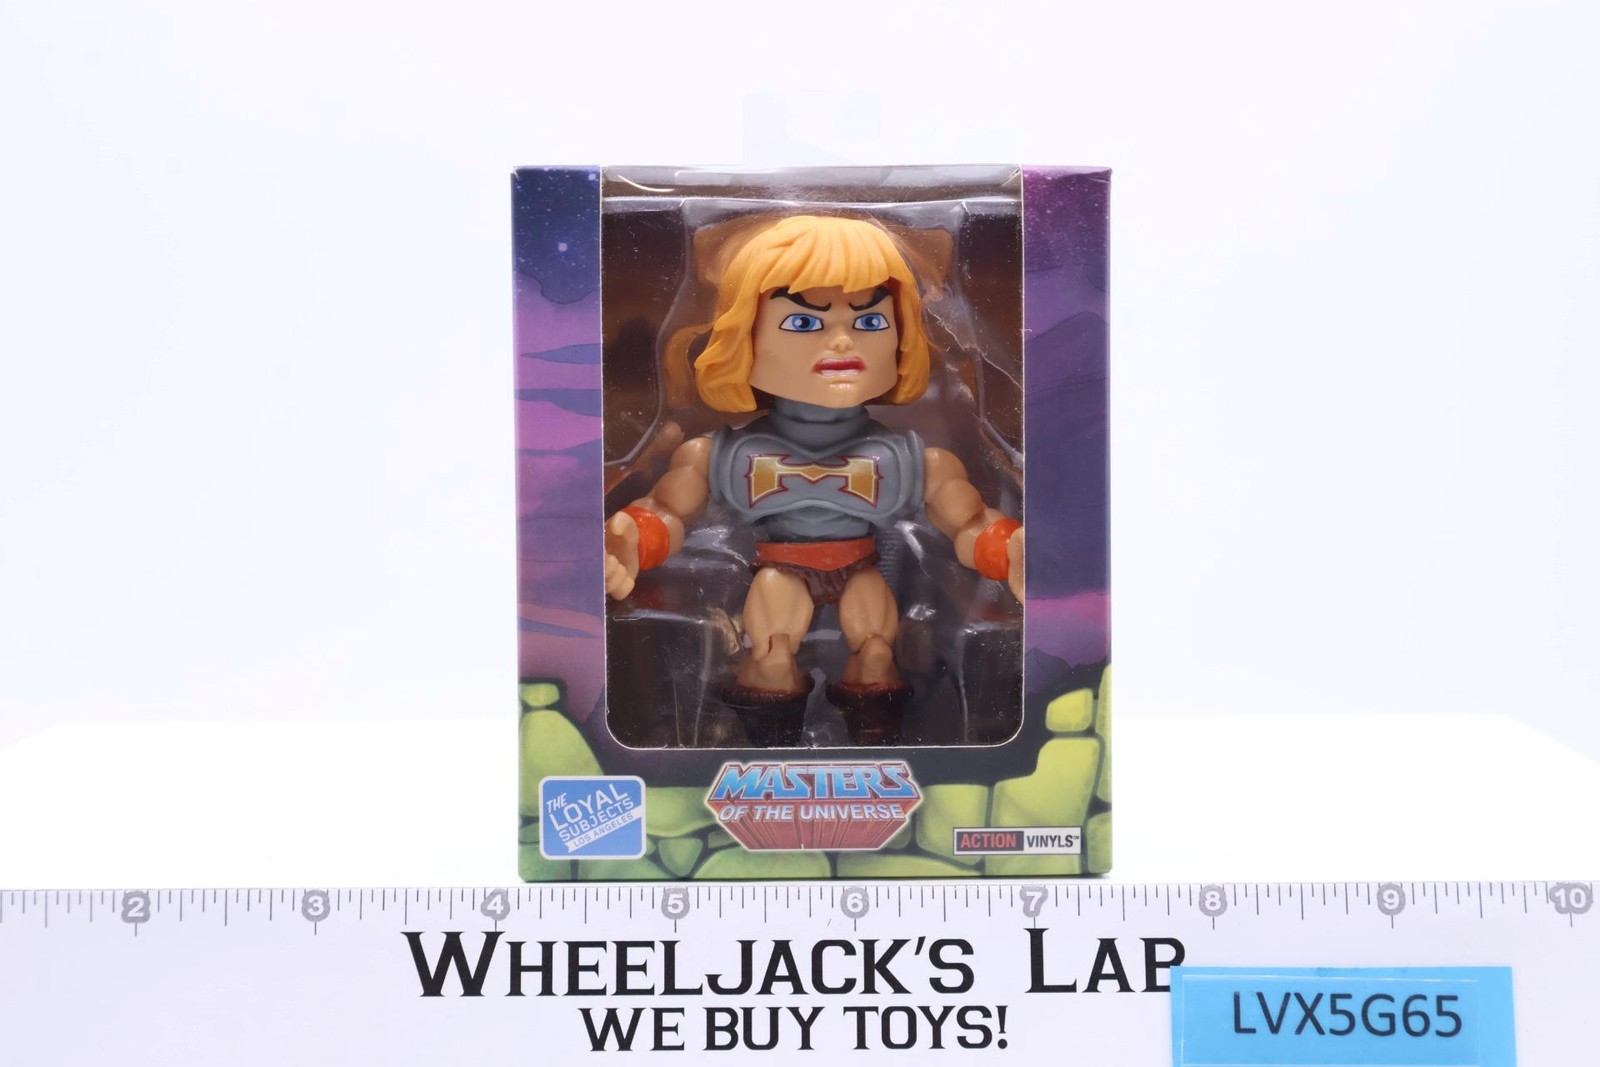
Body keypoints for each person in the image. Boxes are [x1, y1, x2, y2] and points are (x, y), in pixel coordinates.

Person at [604, 215, 1023, 746]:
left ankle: (877, 751)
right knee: (772, 655)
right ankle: (767, 751)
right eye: (803, 323)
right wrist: (629, 543)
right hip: (782, 567)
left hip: (860, 566)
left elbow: (969, 521)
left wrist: (1010, 553)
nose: (843, 342)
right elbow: (668, 510)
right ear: (743, 336)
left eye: (871, 321)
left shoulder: (910, 458)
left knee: (877, 656)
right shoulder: (722, 455)